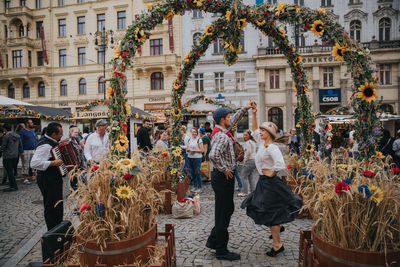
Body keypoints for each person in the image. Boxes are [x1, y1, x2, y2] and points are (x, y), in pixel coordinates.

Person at [241, 103, 302, 257]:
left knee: (271, 213)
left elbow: (281, 163)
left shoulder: (272, 148)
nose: (260, 132)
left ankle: (277, 245)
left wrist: (270, 171)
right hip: (264, 183)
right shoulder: (262, 143)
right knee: (262, 208)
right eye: (261, 130)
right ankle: (278, 229)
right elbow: (254, 130)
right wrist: (254, 113)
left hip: (270, 183)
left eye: (263, 131)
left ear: (269, 133)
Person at [205, 103, 252, 261]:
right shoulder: (222, 136)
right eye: (228, 117)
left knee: (227, 210)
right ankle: (221, 250)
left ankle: (213, 240)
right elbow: (213, 155)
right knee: (223, 213)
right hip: (223, 177)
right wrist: (225, 169)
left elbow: (234, 120)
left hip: (225, 177)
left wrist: (245, 109)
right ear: (221, 120)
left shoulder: (223, 129)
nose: (231, 119)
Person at [31, 123, 64, 230]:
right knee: (51, 205)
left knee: (57, 204)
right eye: (60, 133)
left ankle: (58, 226)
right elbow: (34, 163)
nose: (62, 136)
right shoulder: (45, 145)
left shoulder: (51, 142)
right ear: (53, 134)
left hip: (53, 178)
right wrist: (53, 163)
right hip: (47, 179)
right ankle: (52, 230)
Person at [1, 124, 24, 192]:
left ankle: (13, 185)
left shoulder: (6, 136)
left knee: (9, 171)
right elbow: (20, 145)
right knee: (12, 171)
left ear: (5, 129)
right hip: (15, 155)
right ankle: (13, 184)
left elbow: (3, 146)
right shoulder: (17, 135)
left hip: (7, 156)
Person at [238, 130, 257, 197]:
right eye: (244, 135)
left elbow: (248, 152)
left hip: (249, 160)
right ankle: (253, 191)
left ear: (250, 135)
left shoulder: (248, 142)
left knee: (243, 176)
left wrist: (245, 160)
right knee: (251, 176)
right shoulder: (253, 142)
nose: (244, 136)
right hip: (254, 160)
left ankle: (245, 192)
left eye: (246, 135)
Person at [19, 119, 37, 185]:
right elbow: (20, 142)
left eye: (32, 123)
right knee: (25, 164)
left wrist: (36, 147)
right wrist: (21, 151)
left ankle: (34, 176)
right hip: (25, 150)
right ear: (27, 124)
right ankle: (25, 179)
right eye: (31, 123)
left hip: (33, 149)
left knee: (34, 164)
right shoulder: (22, 132)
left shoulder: (32, 131)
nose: (32, 124)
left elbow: (34, 140)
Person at [186, 127, 204, 193]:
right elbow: (188, 147)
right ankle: (195, 186)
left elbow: (202, 150)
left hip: (197, 158)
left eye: (195, 132)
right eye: (192, 132)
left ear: (197, 133)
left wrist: (193, 150)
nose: (194, 133)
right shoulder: (189, 140)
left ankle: (200, 187)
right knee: (192, 172)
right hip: (190, 157)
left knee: (197, 172)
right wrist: (187, 149)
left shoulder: (199, 140)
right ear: (190, 132)